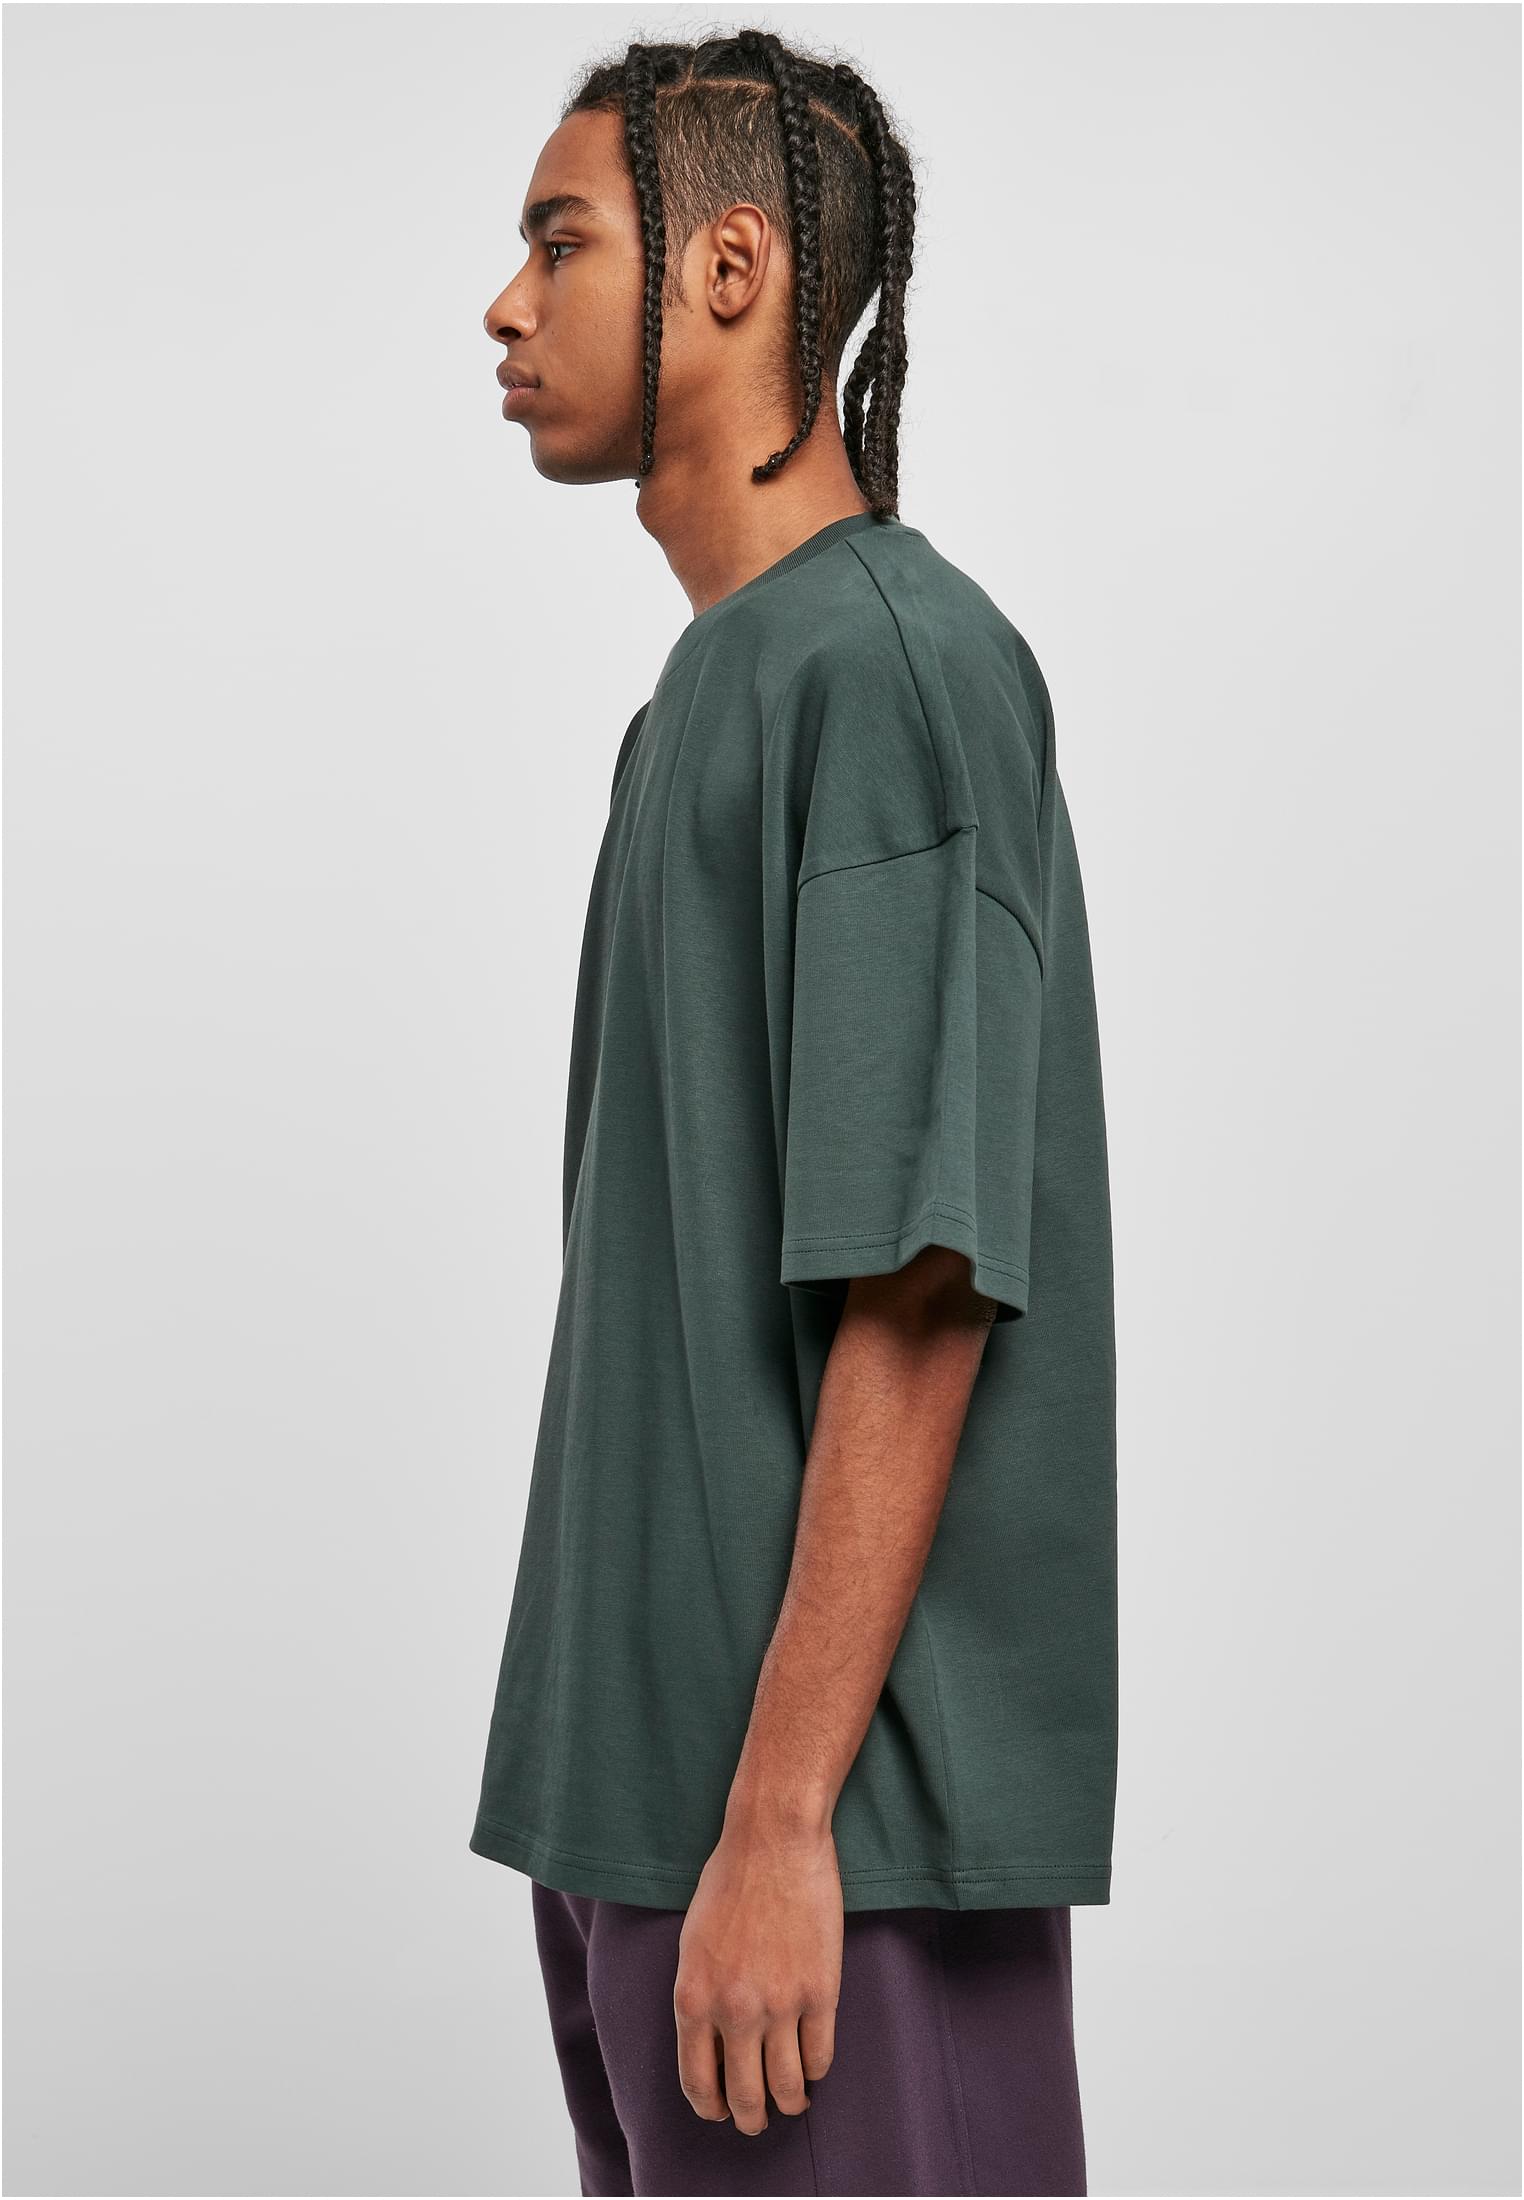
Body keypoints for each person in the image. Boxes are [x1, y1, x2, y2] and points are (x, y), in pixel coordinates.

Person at [471, 28, 1117, 2198]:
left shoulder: (892, 672)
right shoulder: (708, 701)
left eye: (563, 241)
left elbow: (921, 1288)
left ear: (732, 266)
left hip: (822, 1850)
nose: (505, 303)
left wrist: (772, 1821)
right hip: (644, 1816)